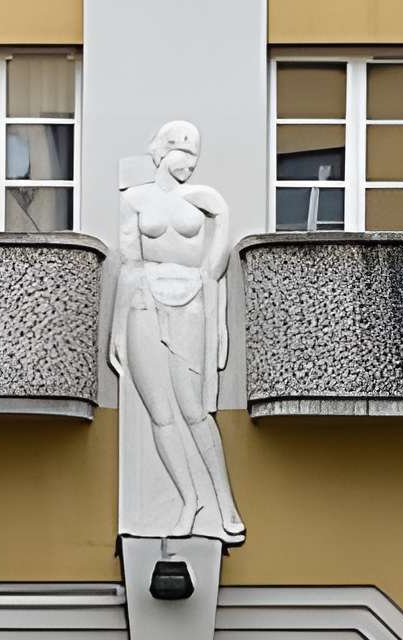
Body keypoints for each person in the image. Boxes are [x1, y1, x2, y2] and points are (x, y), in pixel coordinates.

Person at [111, 121, 247, 546]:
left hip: (189, 301)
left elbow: (216, 265)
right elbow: (129, 264)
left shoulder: (206, 201)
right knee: (160, 413)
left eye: (194, 158)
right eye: (182, 156)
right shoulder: (134, 200)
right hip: (142, 303)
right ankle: (190, 502)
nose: (189, 165)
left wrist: (219, 215)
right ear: (162, 153)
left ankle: (224, 503)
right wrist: (117, 327)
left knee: (194, 409)